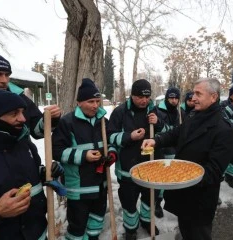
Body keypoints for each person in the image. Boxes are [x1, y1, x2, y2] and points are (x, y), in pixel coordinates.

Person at [142, 78, 233, 240]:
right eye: (193, 93)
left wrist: (180, 177)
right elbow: (176, 134)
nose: (193, 98)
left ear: (213, 97)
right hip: (184, 195)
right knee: (185, 229)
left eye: (198, 94)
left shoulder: (224, 129)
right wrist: (156, 141)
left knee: (198, 234)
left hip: (200, 199)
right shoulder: (194, 116)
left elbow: (213, 171)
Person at [0, 90, 64, 239]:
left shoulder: (23, 143)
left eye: (22, 112)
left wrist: (43, 172)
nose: (22, 118)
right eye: (14, 113)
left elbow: (23, 173)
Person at [52, 78, 117, 240]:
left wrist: (111, 154)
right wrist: (84, 156)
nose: (95, 105)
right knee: (77, 225)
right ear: (79, 102)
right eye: (90, 101)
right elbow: (56, 151)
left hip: (101, 184)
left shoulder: (103, 120)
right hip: (79, 187)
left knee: (97, 219)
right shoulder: (67, 122)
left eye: (97, 101)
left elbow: (111, 142)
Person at [107, 79, 165, 240]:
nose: (144, 100)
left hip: (150, 166)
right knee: (129, 201)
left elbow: (168, 133)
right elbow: (110, 136)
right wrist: (129, 136)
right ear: (132, 95)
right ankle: (131, 228)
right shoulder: (120, 112)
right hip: (127, 168)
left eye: (147, 97)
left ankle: (146, 221)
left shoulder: (154, 111)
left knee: (149, 198)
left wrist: (158, 122)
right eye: (140, 97)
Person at [0, 48, 61, 138]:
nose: (4, 80)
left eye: (7, 75)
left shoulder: (18, 97)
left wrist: (50, 119)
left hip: (21, 152)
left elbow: (37, 132)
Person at [155, 87, 185, 218]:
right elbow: (166, 132)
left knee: (170, 177)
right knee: (160, 178)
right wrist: (168, 129)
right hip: (160, 150)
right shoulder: (157, 111)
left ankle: (170, 201)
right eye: (171, 98)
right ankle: (157, 203)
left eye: (176, 98)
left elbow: (180, 130)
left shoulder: (180, 112)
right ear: (166, 98)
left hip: (173, 150)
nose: (173, 101)